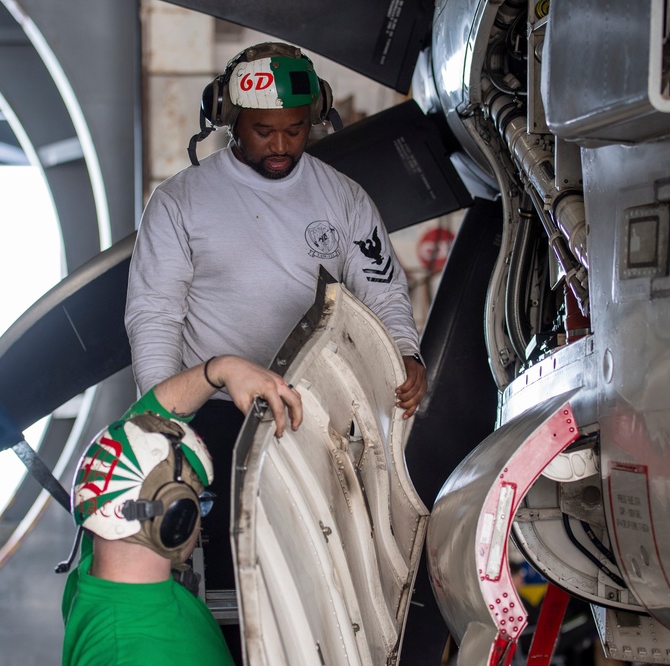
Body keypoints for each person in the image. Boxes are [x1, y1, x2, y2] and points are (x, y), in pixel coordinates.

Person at [123, 39, 427, 654]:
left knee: (322, 565)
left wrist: (405, 350)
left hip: (315, 414)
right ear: (230, 119)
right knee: (233, 570)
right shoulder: (182, 202)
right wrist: (162, 422)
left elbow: (384, 290)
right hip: (214, 415)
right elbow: (154, 313)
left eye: (295, 130)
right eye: (264, 131)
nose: (282, 145)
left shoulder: (342, 199)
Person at [62, 356, 301, 666]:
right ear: (176, 517)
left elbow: (138, 428)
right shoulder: (134, 655)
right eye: (199, 503)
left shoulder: (96, 563)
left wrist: (221, 370)